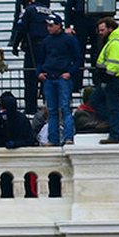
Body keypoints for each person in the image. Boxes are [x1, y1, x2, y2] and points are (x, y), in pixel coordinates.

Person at [40, 14, 81, 146]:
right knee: (52, 110)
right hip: (49, 78)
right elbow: (40, 59)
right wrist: (39, 73)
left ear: (59, 25)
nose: (48, 28)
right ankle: (53, 139)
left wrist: (70, 73)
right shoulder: (46, 41)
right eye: (47, 26)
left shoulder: (69, 40)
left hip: (62, 78)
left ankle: (68, 138)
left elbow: (78, 59)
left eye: (51, 25)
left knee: (64, 108)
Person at [95, 17, 119, 144]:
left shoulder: (115, 43)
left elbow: (114, 63)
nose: (100, 33)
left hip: (113, 78)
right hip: (113, 78)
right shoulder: (114, 40)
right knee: (108, 105)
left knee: (112, 107)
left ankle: (115, 134)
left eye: (102, 30)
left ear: (110, 28)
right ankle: (115, 130)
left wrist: (106, 76)